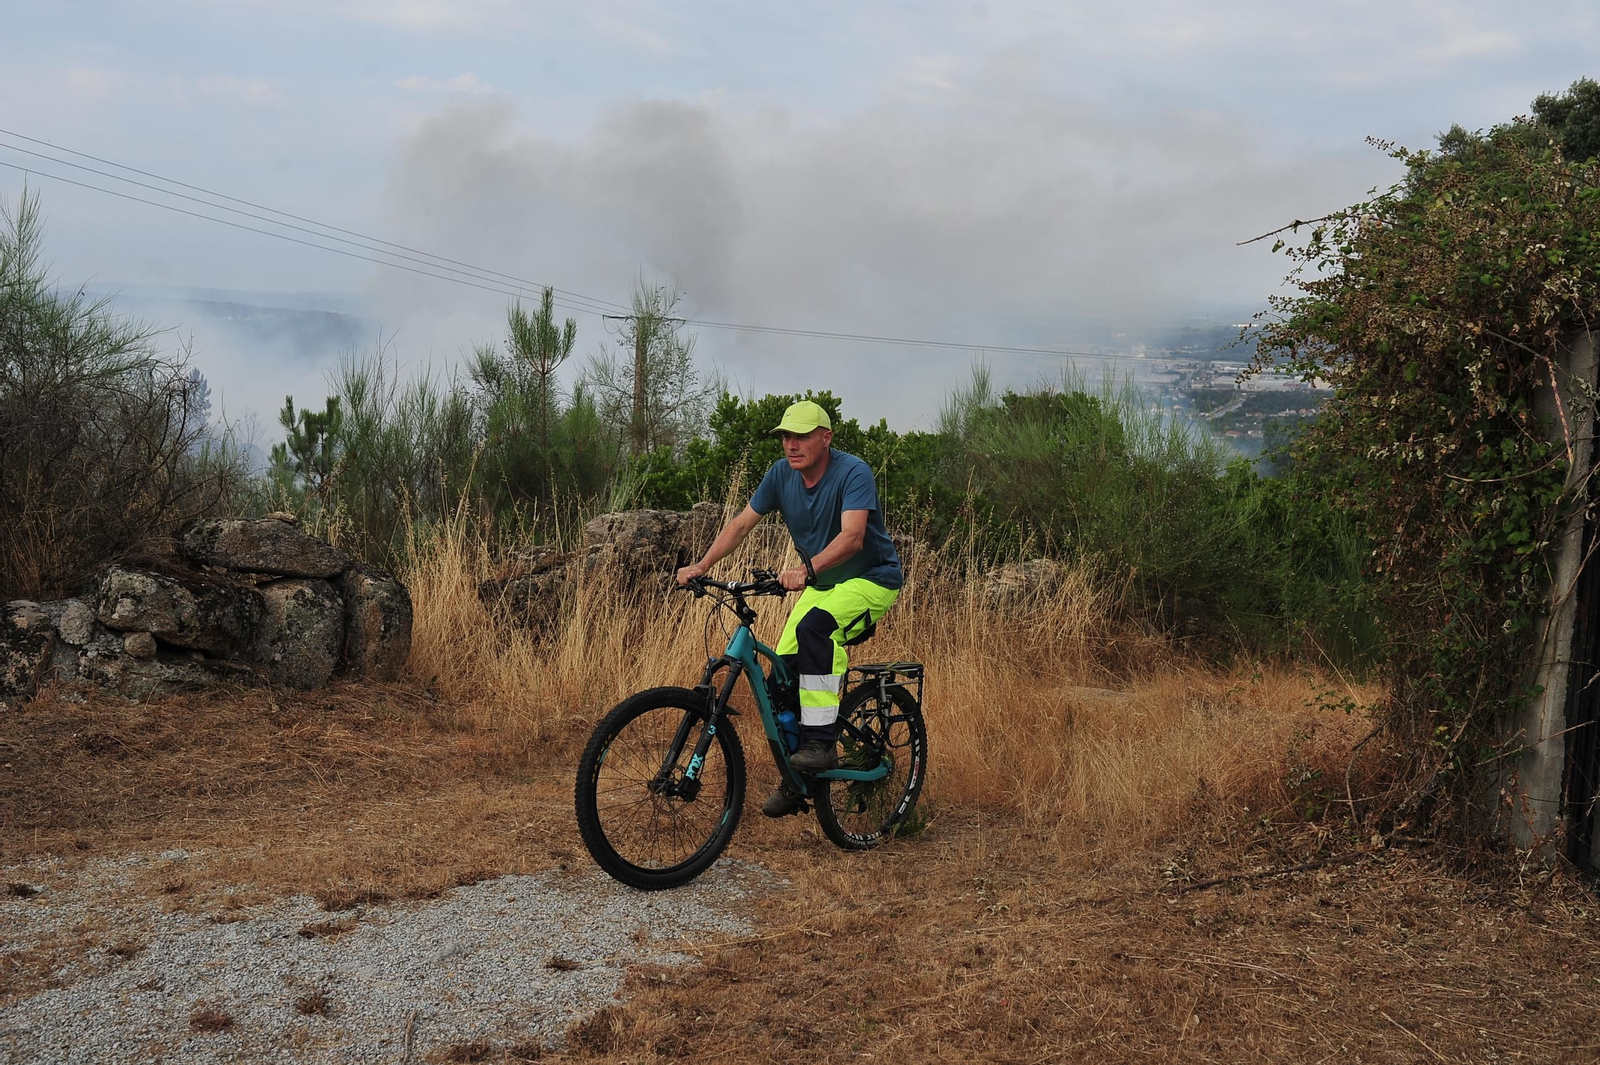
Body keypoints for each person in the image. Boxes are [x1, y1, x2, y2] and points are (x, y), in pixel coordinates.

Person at [676, 399, 903, 817]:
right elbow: (742, 524)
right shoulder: (781, 475)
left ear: (826, 437)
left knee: (816, 631)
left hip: (871, 579)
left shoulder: (853, 472)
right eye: (785, 436)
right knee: (782, 672)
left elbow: (853, 537)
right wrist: (702, 565)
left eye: (800, 435)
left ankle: (821, 744)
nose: (791, 444)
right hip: (824, 582)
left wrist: (806, 569)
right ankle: (799, 779)